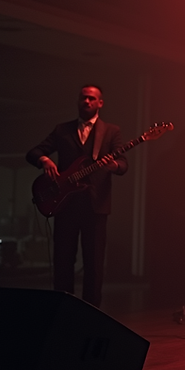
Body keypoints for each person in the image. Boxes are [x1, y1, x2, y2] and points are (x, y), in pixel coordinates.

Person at [26, 85, 127, 308]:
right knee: (63, 261)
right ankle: (62, 310)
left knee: (94, 264)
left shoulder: (111, 131)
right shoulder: (62, 130)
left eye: (92, 98)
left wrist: (113, 165)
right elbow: (33, 152)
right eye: (83, 98)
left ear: (100, 103)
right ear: (78, 101)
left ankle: (91, 313)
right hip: (65, 204)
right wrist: (44, 160)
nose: (87, 101)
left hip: (96, 206)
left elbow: (124, 165)